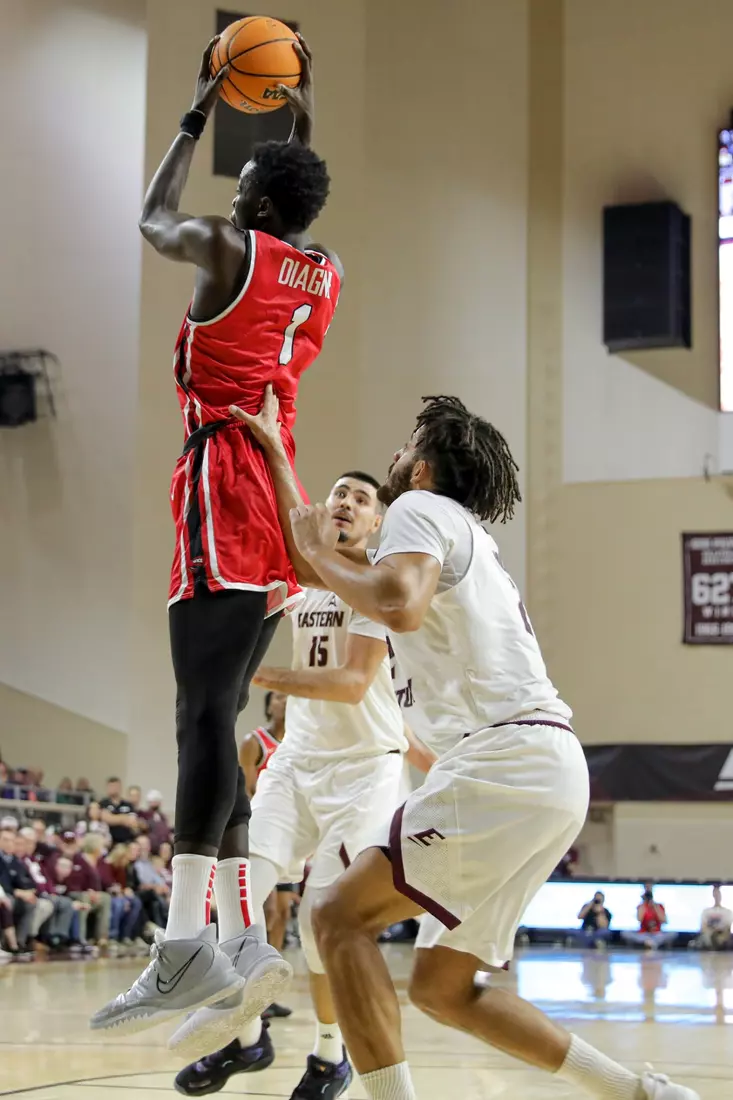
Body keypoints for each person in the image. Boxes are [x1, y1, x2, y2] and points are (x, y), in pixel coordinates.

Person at [240, 392, 696, 1100]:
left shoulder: (418, 513)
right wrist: (274, 452)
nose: (390, 457)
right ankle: (640, 1092)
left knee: (335, 918)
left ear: (419, 468)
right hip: (545, 771)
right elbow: (318, 560)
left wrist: (309, 544)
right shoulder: (456, 533)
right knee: (446, 990)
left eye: (400, 448)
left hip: (503, 760)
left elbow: (391, 602)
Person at [92, 31, 341, 1036]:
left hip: (223, 478)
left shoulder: (226, 246)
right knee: (224, 716)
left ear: (257, 208)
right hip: (279, 492)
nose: (229, 194)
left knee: (197, 712)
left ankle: (179, 941)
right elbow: (297, 193)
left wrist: (199, 111)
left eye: (244, 187)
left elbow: (153, 215)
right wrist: (297, 110)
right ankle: (242, 931)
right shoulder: (322, 266)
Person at [172, 462, 430, 1099]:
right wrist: (268, 441)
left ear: (378, 521)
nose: (344, 502)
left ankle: (328, 1054)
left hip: (366, 768)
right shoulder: (302, 578)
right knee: (236, 894)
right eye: (339, 492)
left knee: (323, 923)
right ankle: (248, 1039)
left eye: (360, 498)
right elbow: (290, 519)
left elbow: (349, 686)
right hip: (296, 761)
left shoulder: (373, 587)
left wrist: (249, 676)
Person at [99, 778, 139, 846]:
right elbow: (107, 819)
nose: (113, 789)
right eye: (111, 786)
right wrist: (124, 818)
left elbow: (132, 822)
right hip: (109, 841)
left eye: (115, 786)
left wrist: (114, 818)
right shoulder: (103, 803)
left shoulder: (128, 804)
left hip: (126, 841)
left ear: (120, 787)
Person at [698, 885, 732, 950]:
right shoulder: (706, 911)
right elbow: (703, 927)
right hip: (709, 935)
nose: (717, 896)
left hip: (722, 935)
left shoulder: (727, 912)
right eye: (715, 894)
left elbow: (728, 928)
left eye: (718, 894)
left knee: (722, 937)